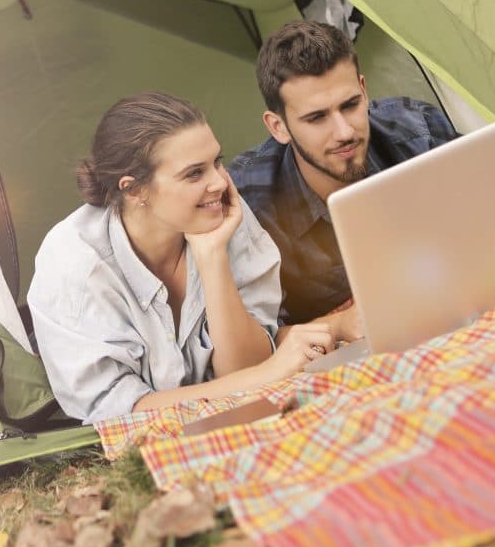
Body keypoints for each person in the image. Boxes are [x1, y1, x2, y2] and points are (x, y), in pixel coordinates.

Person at [28, 92, 335, 424]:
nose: (218, 182)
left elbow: (244, 367)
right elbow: (119, 414)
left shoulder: (219, 212)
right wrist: (267, 374)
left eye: (217, 161)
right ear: (134, 190)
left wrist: (212, 256)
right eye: (194, 174)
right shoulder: (75, 263)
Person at [229, 20, 459, 326]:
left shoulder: (418, 130)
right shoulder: (249, 199)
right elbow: (264, 336)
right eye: (317, 117)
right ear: (278, 127)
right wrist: (338, 325)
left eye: (350, 105)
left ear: (364, 91)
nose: (344, 132)